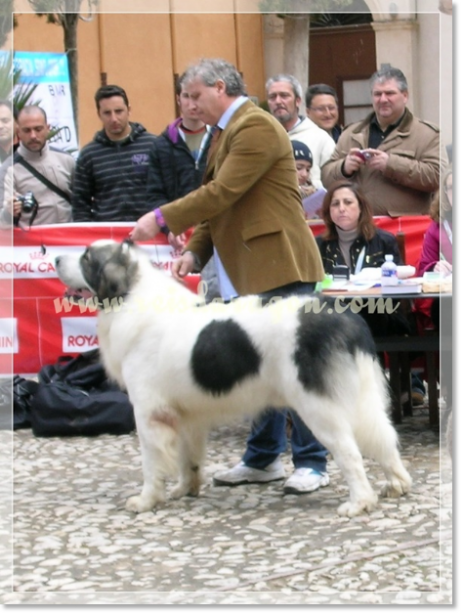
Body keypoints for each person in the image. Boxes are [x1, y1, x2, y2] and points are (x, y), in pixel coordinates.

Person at [131, 58, 329, 494]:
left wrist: (161, 218)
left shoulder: (254, 125)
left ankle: (313, 462)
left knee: (295, 368)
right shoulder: (224, 132)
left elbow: (222, 191)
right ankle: (262, 459)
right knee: (256, 366)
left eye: (196, 95)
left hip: (280, 263)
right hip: (247, 268)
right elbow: (222, 205)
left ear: (220, 87)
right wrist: (197, 253)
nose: (190, 104)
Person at [316, 179, 426, 401]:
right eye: (335, 204)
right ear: (328, 211)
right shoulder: (320, 244)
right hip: (334, 310)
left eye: (348, 202)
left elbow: (397, 285)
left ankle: (377, 391)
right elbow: (314, 283)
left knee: (366, 316)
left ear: (361, 208)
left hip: (379, 309)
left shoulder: (383, 240)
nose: (341, 208)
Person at [321, 67, 443, 216]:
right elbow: (326, 177)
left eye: (390, 93)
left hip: (405, 228)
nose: (383, 99)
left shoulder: (428, 134)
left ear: (405, 96)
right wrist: (344, 168)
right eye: (377, 94)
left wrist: (391, 165)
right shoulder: (351, 133)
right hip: (357, 225)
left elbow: (437, 176)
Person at [146, 72, 219, 300]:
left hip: (215, 231)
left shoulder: (221, 137)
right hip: (176, 236)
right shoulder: (161, 144)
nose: (192, 104)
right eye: (186, 96)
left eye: (196, 97)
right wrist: (168, 224)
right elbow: (154, 193)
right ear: (178, 98)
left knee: (216, 296)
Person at [72, 84, 157, 222]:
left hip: (149, 232)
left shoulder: (153, 145)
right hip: (107, 236)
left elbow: (168, 191)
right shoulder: (89, 155)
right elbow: (80, 203)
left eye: (119, 111)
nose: (114, 119)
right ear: (98, 114)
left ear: (129, 110)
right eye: (107, 113)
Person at [0, 105, 74, 228]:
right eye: (27, 130)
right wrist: (9, 212)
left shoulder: (67, 160)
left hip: (71, 242)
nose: (33, 135)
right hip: (33, 244)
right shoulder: (7, 169)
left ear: (48, 128)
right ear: (18, 132)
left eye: (38, 129)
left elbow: (83, 203)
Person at [266, 74, 335, 189]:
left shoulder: (320, 138)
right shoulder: (260, 137)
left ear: (297, 101)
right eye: (272, 97)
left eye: (284, 96)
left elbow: (334, 181)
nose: (278, 101)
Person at [291, 139, 325, 219]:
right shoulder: (274, 193)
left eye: (308, 169)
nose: (304, 174)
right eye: (299, 168)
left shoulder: (314, 193)